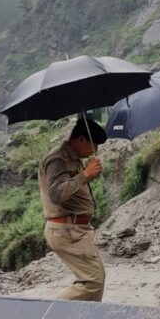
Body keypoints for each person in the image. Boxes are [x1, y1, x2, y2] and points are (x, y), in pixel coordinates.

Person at [38, 118, 107, 301]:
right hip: (68, 230)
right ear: (82, 140)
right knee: (93, 280)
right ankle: (50, 315)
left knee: (96, 278)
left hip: (76, 230)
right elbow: (56, 194)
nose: (95, 150)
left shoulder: (73, 158)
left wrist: (86, 175)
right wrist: (85, 174)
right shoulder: (58, 159)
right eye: (94, 144)